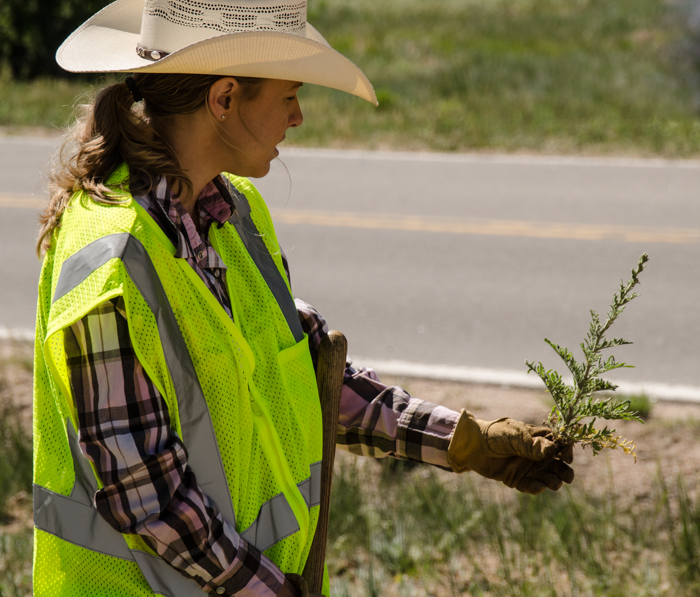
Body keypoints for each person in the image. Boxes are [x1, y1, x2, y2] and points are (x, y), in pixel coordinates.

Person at [32, 1, 575, 596]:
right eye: (289, 94)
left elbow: (305, 376)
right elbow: (149, 499)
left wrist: (466, 442)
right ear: (225, 99)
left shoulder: (232, 212)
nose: (299, 115)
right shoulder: (110, 261)